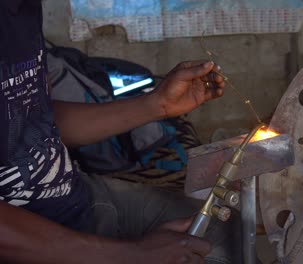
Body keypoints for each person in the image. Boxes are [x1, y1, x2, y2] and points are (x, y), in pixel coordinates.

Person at [0, 0, 240, 263]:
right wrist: (129, 254)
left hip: (78, 198)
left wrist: (156, 104)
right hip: (27, 242)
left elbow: (32, 120)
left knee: (226, 236)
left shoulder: (20, 11)